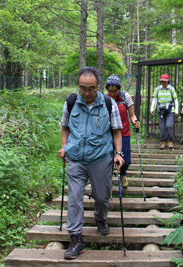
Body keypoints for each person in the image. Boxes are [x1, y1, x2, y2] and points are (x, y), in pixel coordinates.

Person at [57, 67, 125, 260]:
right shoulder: (71, 103)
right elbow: (64, 128)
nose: (87, 93)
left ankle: (100, 218)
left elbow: (116, 131)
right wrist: (64, 147)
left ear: (98, 87)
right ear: (78, 86)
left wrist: (118, 153)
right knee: (75, 199)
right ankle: (76, 238)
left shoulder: (108, 104)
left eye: (91, 88)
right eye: (83, 88)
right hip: (76, 158)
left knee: (102, 197)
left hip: (101, 158)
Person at [106, 74, 140, 190]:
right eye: (109, 91)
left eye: (114, 91)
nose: (112, 93)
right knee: (108, 160)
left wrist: (135, 122)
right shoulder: (105, 99)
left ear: (119, 88)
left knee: (125, 160)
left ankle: (122, 175)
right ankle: (107, 183)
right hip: (108, 134)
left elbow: (132, 114)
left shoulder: (126, 97)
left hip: (124, 132)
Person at [150, 74, 179, 150]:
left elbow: (175, 99)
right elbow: (155, 99)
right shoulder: (158, 89)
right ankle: (163, 142)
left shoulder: (171, 89)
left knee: (169, 125)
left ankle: (170, 141)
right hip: (161, 110)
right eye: (162, 81)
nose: (163, 83)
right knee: (162, 127)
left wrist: (176, 110)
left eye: (164, 82)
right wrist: (152, 108)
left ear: (167, 82)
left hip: (170, 110)